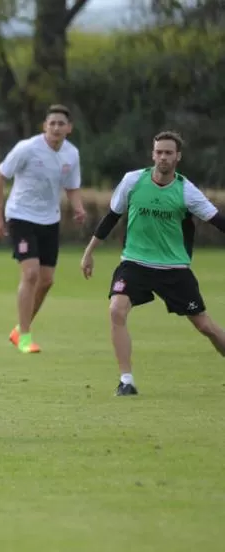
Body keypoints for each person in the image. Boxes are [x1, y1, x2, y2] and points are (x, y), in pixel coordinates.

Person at [80, 130, 225, 395]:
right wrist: (89, 252)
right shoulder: (133, 181)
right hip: (135, 263)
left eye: (169, 153)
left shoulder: (186, 190)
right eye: (159, 152)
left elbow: (217, 221)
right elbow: (112, 216)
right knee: (116, 310)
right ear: (152, 154)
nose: (163, 158)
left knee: (206, 326)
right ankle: (126, 381)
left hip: (174, 269)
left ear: (178, 157)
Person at [0, 104, 86, 353]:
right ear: (44, 126)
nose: (56, 127)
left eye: (60, 124)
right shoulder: (27, 149)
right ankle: (25, 337)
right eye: (51, 123)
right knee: (30, 274)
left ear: (69, 128)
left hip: (49, 220)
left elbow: (71, 186)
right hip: (21, 216)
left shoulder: (71, 154)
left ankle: (19, 329)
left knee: (46, 280)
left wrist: (78, 207)